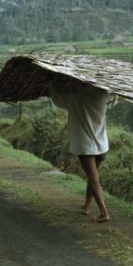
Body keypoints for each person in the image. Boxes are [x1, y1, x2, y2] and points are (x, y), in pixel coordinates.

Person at [48, 77, 111, 222]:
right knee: (92, 177)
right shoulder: (103, 95)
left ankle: (104, 213)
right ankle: (86, 206)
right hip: (102, 145)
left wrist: (50, 85)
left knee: (94, 180)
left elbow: (57, 99)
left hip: (87, 147)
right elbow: (113, 100)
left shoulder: (76, 97)